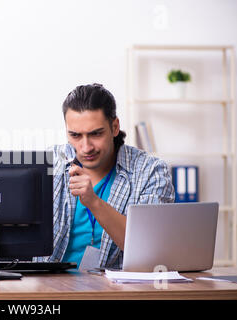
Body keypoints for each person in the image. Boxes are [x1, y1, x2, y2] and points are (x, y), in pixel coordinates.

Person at [35, 83, 175, 269]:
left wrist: (94, 202)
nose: (86, 147)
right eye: (75, 135)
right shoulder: (49, 162)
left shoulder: (151, 171)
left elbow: (149, 250)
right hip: (52, 290)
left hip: (114, 293)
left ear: (115, 127)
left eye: (96, 134)